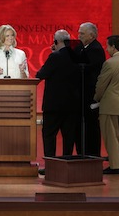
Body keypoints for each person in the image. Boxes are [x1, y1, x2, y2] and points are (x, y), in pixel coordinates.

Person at [36, 29, 80, 161]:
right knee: (69, 136)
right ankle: (67, 161)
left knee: (49, 135)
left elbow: (40, 74)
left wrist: (54, 53)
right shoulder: (76, 56)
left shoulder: (55, 57)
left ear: (56, 41)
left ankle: (51, 163)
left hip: (54, 105)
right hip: (72, 104)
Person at [94, 34, 119, 175]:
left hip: (110, 104)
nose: (106, 48)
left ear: (113, 47)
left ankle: (114, 165)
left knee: (111, 136)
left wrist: (96, 98)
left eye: (108, 46)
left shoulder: (110, 63)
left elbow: (101, 85)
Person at [73, 21, 105, 156]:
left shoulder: (96, 49)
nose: (78, 36)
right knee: (79, 126)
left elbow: (87, 68)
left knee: (91, 126)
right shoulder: (80, 47)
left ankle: (92, 155)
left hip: (90, 95)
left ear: (91, 36)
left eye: (82, 33)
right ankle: (81, 153)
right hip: (79, 95)